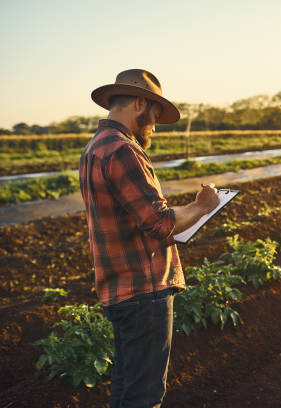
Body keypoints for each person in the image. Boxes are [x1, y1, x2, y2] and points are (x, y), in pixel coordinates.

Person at [80, 69, 220, 408]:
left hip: (119, 289)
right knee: (145, 396)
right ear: (139, 103)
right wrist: (201, 206)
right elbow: (160, 222)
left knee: (127, 389)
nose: (154, 126)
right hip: (145, 289)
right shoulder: (123, 150)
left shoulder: (94, 148)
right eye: (154, 116)